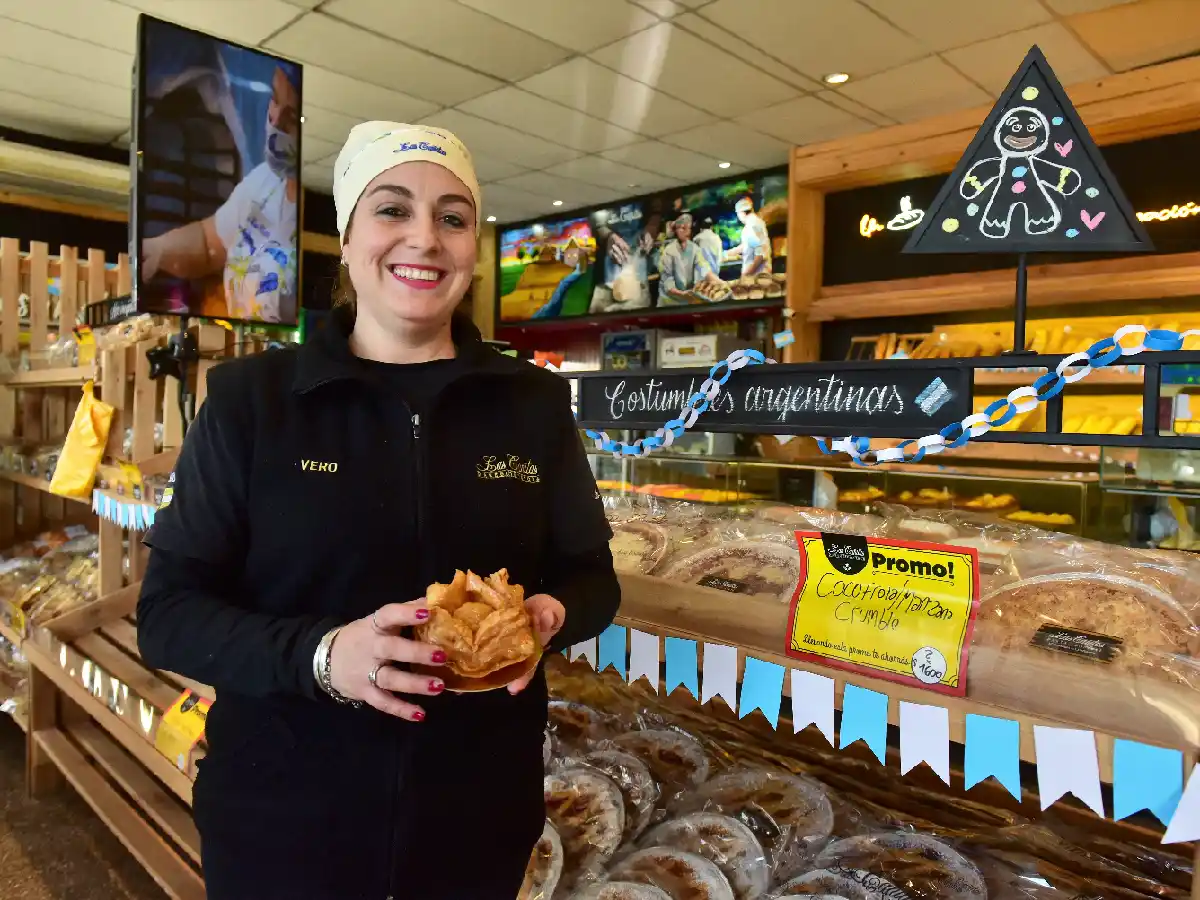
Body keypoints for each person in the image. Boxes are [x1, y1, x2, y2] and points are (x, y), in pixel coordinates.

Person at [137, 121, 620, 900]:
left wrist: (548, 613)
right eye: (393, 210)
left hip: (477, 820)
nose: (425, 239)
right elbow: (168, 614)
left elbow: (593, 575)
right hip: (282, 822)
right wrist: (325, 658)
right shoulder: (251, 403)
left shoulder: (532, 403)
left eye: (453, 218)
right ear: (350, 232)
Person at [141, 64, 300, 323]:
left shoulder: (306, 222)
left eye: (291, 117)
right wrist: (158, 249)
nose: (276, 121)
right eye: (274, 100)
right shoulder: (263, 183)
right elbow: (208, 242)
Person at [657, 212, 713, 305]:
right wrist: (683, 294)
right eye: (682, 228)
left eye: (689, 228)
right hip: (669, 303)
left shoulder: (694, 248)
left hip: (687, 300)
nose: (686, 231)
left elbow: (704, 268)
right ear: (676, 230)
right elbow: (667, 283)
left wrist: (720, 283)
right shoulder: (668, 251)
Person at [731, 197, 772, 278]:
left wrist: (746, 274)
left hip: (756, 277)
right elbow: (748, 245)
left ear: (742, 213)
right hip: (761, 274)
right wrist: (727, 253)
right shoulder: (757, 223)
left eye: (738, 214)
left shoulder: (751, 227)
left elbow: (760, 255)